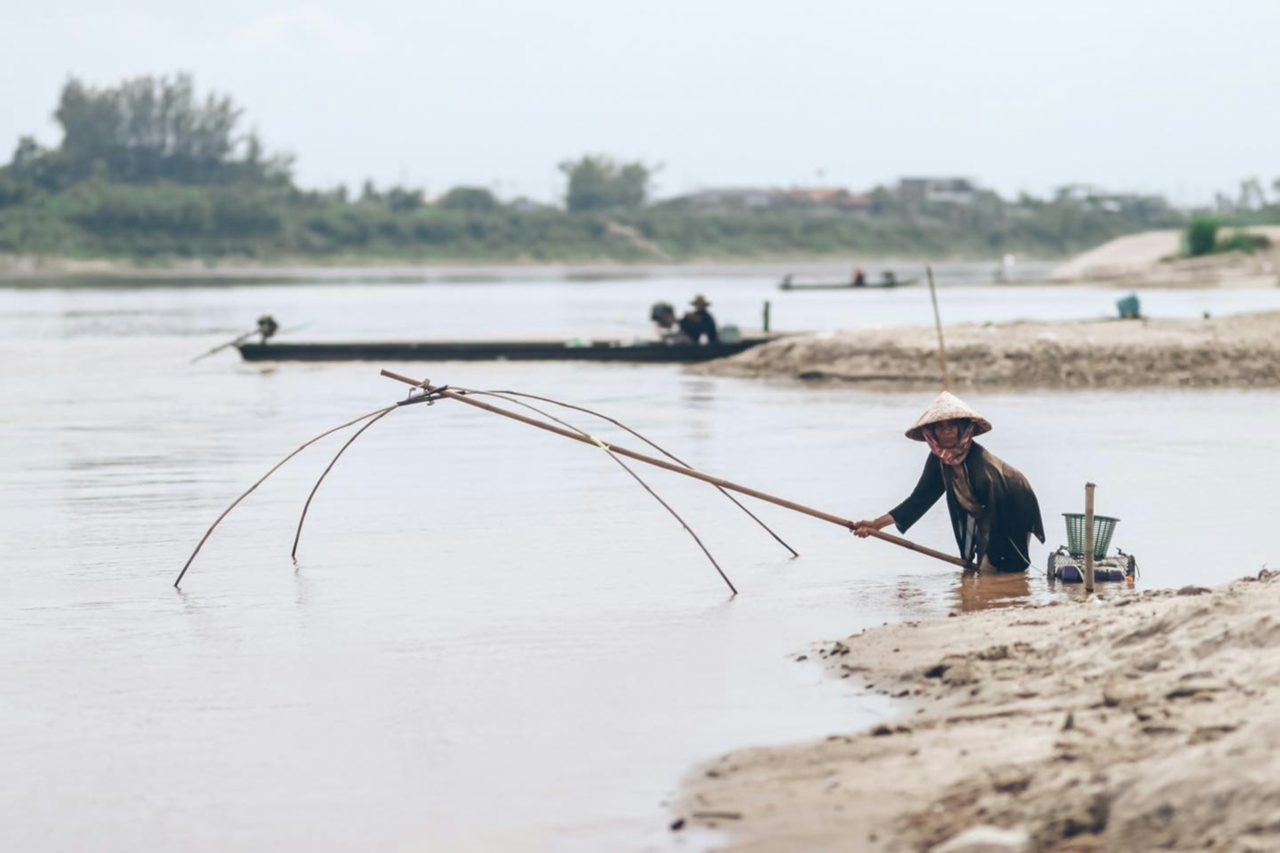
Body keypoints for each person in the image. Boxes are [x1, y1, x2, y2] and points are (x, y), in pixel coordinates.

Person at [852, 391, 1044, 572]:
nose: (946, 431)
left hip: (1014, 504)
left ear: (962, 428)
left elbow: (997, 514)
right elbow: (919, 500)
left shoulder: (982, 465)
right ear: (932, 433)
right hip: (987, 512)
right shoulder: (939, 461)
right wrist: (876, 524)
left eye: (951, 425)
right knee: (987, 565)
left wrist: (990, 560)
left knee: (1004, 564)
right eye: (940, 427)